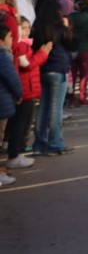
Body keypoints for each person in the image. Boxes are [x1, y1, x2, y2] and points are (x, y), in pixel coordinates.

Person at [31, 0, 77, 156]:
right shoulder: (59, 27)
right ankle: (55, 143)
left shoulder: (37, 28)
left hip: (42, 68)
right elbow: (73, 45)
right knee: (56, 109)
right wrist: (68, 27)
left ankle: (39, 143)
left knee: (43, 107)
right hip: (58, 69)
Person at [5, 16, 50, 170]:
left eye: (28, 28)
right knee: (20, 124)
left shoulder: (24, 45)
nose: (26, 31)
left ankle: (16, 152)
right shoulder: (21, 46)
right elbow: (26, 64)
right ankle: (14, 155)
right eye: (22, 28)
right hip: (24, 91)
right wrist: (43, 54)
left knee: (21, 124)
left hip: (26, 90)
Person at [0, 24, 21, 186]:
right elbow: (13, 79)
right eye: (9, 37)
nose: (12, 40)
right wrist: (19, 94)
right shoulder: (3, 56)